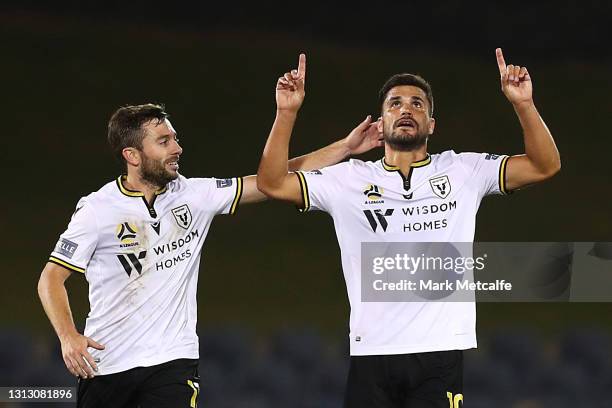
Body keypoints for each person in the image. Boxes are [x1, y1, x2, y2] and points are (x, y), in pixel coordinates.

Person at [256, 50, 560, 407]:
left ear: (431, 124)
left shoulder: (464, 170)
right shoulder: (349, 179)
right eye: (394, 103)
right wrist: (289, 113)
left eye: (417, 104)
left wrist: (524, 104)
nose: (406, 109)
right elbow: (271, 182)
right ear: (380, 123)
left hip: (440, 352)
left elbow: (544, 165)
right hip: (372, 353)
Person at [37, 103, 382, 408]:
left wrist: (347, 147)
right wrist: (69, 336)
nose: (178, 148)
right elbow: (51, 278)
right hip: (107, 365)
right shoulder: (97, 210)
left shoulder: (194, 195)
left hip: (172, 362)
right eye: (164, 142)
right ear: (132, 155)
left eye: (174, 138)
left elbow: (270, 180)